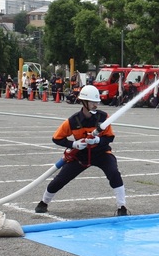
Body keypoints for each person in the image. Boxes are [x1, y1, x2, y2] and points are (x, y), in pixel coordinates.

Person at [35, 85, 128, 216]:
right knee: (60, 179)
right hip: (80, 155)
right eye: (92, 102)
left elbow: (110, 137)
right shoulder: (72, 121)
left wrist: (98, 141)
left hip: (101, 153)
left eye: (97, 101)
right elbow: (56, 138)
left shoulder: (103, 117)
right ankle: (44, 202)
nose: (96, 105)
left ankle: (122, 207)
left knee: (114, 173)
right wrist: (74, 144)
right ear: (84, 102)